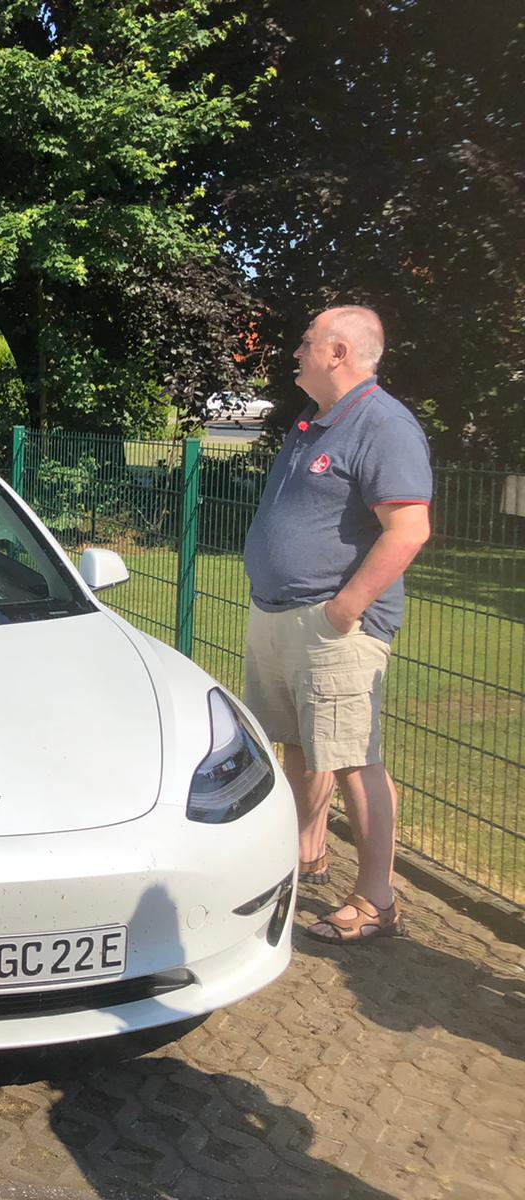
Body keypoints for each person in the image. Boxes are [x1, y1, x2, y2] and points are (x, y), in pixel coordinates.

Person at [242, 305, 432, 943]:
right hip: (279, 613)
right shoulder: (313, 421)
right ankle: (308, 855)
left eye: (307, 342)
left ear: (339, 352)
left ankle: (376, 900)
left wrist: (344, 609)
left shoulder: (383, 424)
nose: (296, 351)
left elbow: (409, 529)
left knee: (353, 757)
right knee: (300, 743)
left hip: (334, 625)